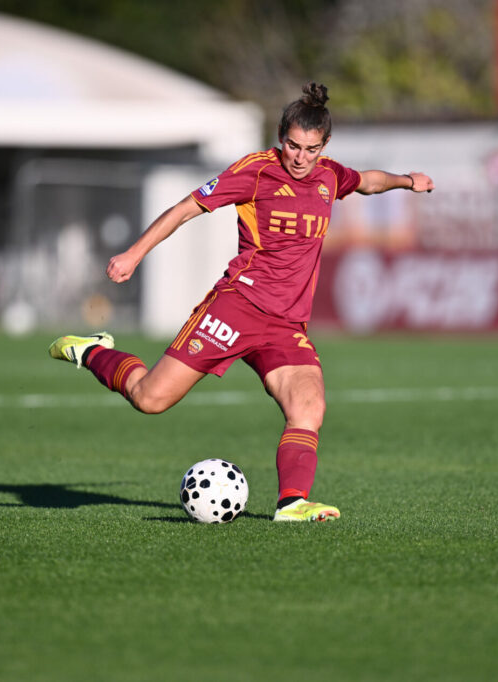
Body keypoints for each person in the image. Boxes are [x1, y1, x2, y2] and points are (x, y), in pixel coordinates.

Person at [49, 81, 434, 522]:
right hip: (236, 308)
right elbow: (185, 208)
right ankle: (92, 350)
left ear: (324, 146)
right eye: (292, 146)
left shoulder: (330, 175)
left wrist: (407, 181)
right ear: (280, 137)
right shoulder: (256, 171)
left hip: (286, 325)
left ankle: (292, 503)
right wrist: (134, 254)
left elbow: (368, 182)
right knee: (150, 399)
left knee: (309, 406)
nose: (300, 157)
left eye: (311, 149)